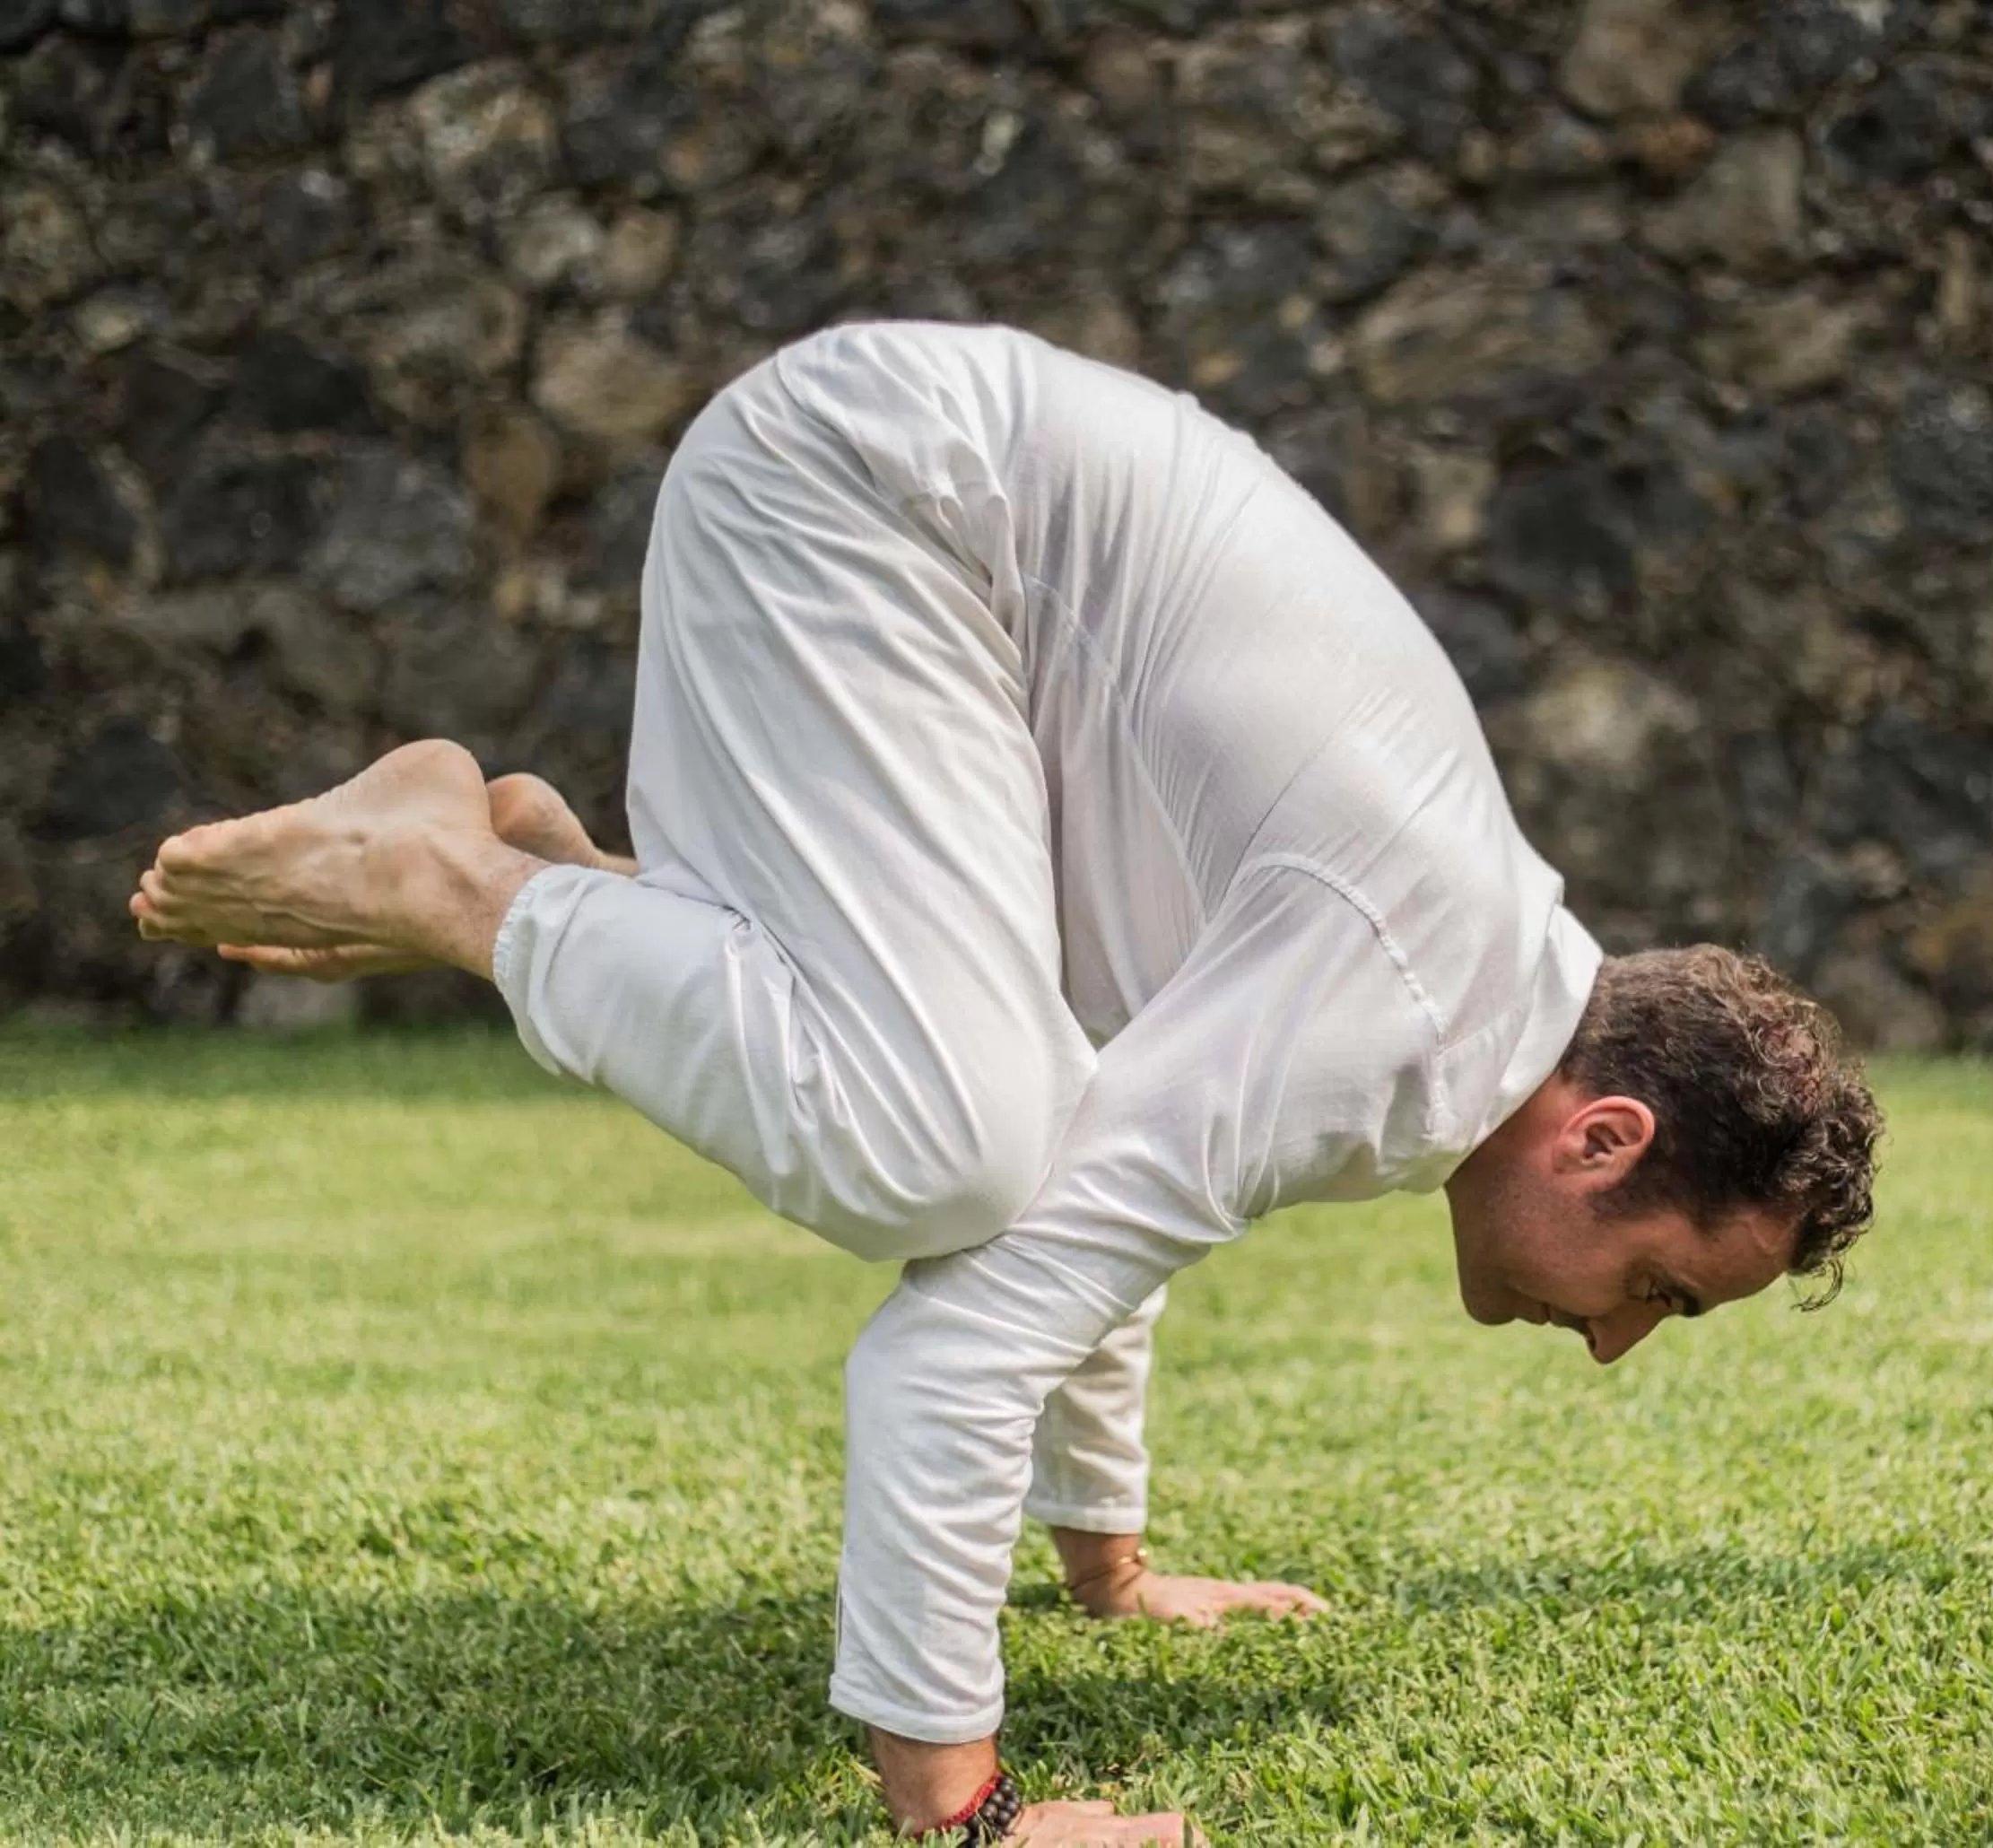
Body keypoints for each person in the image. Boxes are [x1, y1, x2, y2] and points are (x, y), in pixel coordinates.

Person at [131, 321, 1884, 1844]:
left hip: (899, 513)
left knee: (1003, 1123)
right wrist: (961, 1807)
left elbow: (1112, 1167)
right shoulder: (1409, 993)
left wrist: (1106, 1566)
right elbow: (960, 1340)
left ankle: (556, 888)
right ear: (1603, 1135)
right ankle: (460, 882)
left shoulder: (1456, 991)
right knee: (939, 1154)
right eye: (1656, 1285)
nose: (1612, 1341)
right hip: (864, 492)